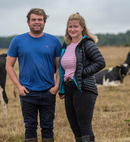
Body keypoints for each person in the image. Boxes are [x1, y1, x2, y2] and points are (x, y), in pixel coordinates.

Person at [6, 8, 62, 142]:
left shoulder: (54, 41)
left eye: (40, 20)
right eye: (34, 20)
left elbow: (60, 67)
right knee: (30, 126)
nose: (37, 22)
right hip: (27, 92)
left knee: (48, 127)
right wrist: (19, 87)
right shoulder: (17, 41)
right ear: (28, 22)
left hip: (48, 91)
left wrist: (57, 86)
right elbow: (9, 66)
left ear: (44, 22)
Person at [58, 13, 106, 142]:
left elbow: (100, 62)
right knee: (75, 126)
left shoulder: (87, 43)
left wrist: (81, 73)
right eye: (70, 27)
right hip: (69, 88)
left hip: (83, 87)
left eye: (75, 26)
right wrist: (62, 89)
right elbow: (63, 69)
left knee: (84, 125)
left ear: (82, 27)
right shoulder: (66, 44)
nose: (72, 29)